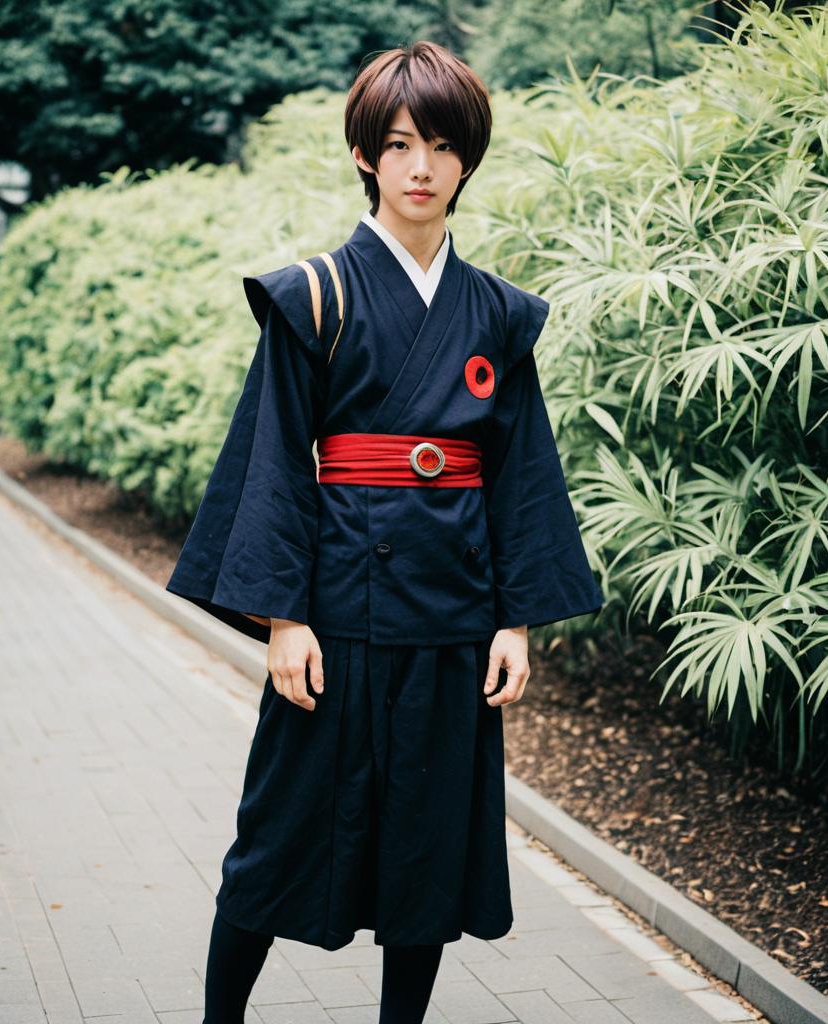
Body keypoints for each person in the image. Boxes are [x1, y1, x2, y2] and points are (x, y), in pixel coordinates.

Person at [166, 39, 604, 1023]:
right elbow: (274, 458)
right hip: (336, 615)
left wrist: (514, 618)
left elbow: (521, 471)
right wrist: (282, 617)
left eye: (442, 146)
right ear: (366, 153)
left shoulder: (494, 313)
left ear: (466, 161)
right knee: (279, 835)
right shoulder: (313, 295)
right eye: (399, 143)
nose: (420, 166)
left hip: (452, 619)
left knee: (427, 848)